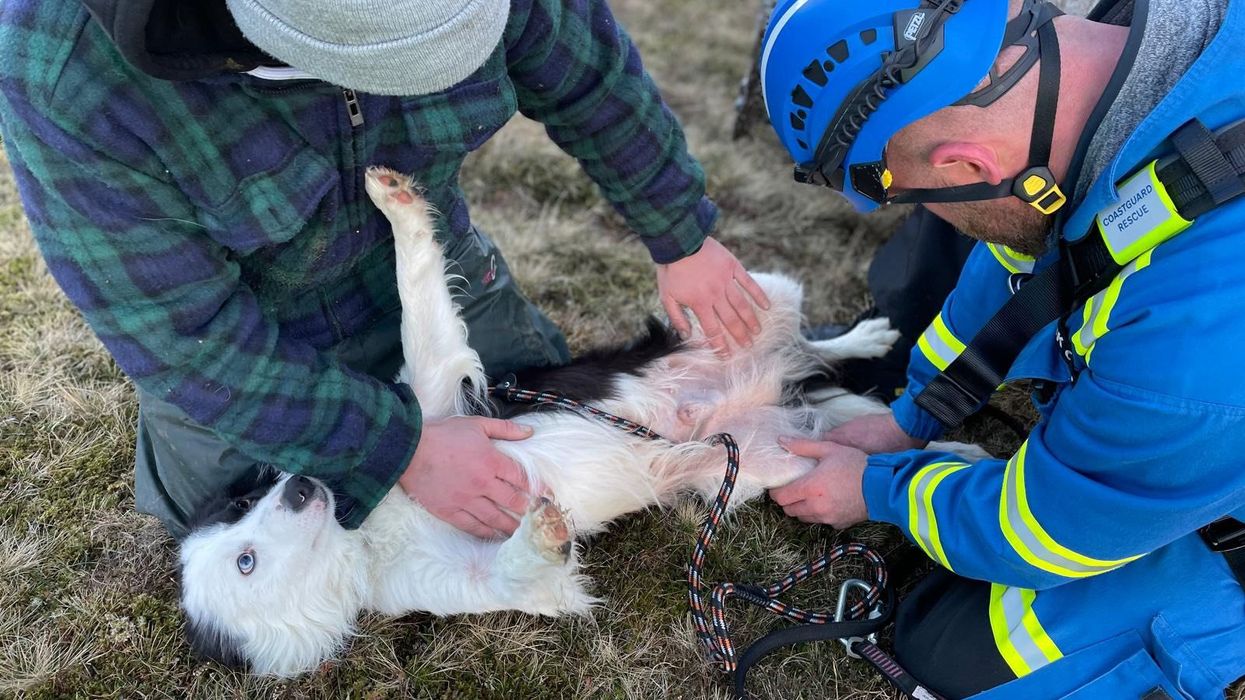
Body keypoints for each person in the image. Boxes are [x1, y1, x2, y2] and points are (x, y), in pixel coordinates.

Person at [0, 0, 771, 540]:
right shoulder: (66, 67)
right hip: (247, 338)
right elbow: (179, 337)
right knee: (265, 535)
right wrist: (395, 449)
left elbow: (590, 77)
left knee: (553, 436)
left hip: (431, 267)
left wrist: (681, 237)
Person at [760, 0, 1245, 697]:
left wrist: (874, 491)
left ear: (964, 160)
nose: (927, 215)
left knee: (951, 648)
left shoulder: (1192, 338)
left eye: (914, 195)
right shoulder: (1136, 77)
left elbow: (1046, 530)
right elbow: (1033, 261)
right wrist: (914, 415)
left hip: (1200, 418)